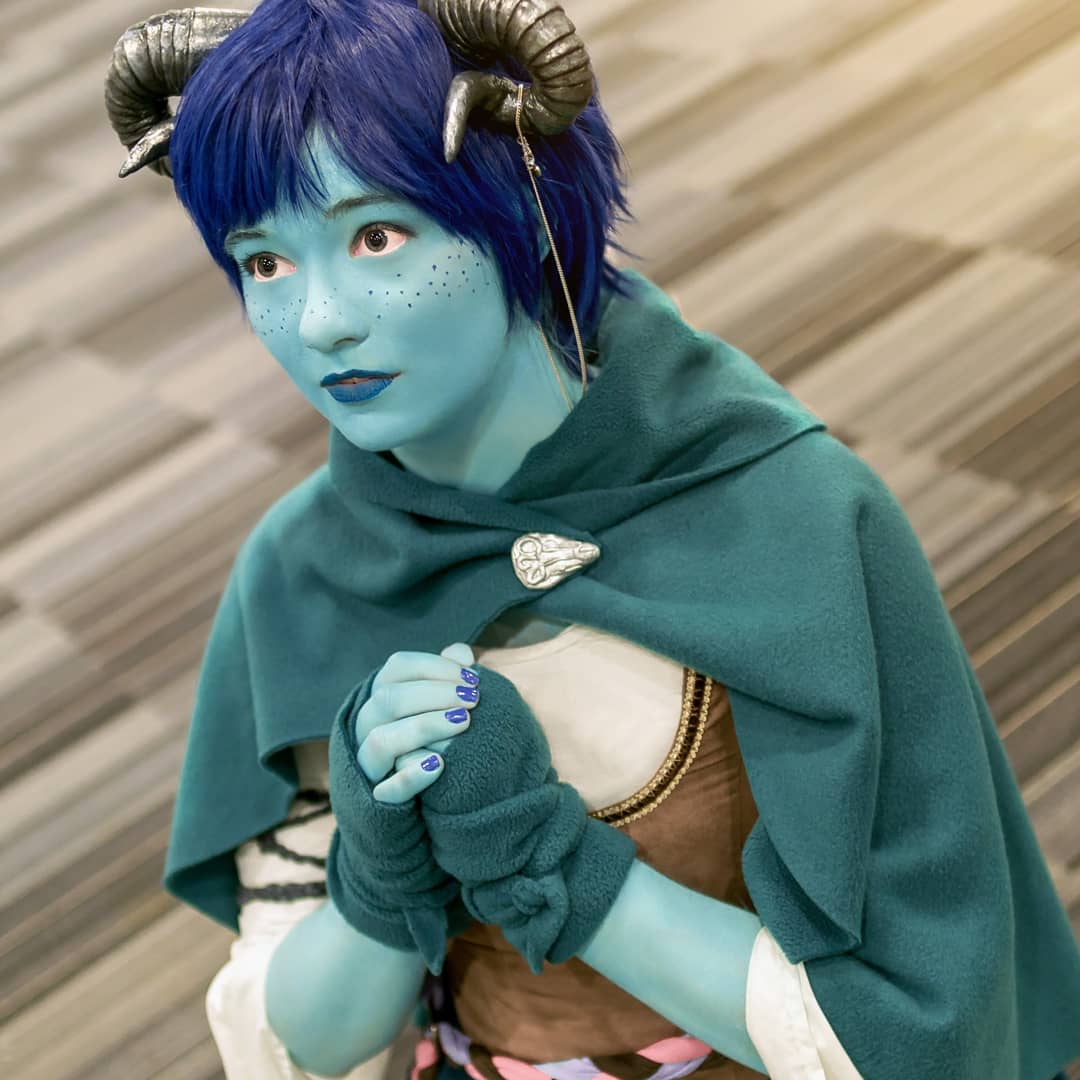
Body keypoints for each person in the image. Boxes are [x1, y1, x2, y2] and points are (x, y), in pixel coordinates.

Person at [104, 1, 1080, 1078]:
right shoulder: (299, 573)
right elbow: (307, 1042)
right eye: (264, 263)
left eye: (376, 237)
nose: (321, 319)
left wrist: (549, 859)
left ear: (522, 210)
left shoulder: (795, 513)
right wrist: (379, 879)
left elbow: (916, 1028)